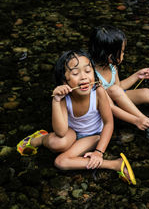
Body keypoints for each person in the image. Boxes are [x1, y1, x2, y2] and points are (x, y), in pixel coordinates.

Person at [17, 50, 136, 185]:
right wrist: (56, 101)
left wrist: (98, 152)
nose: (84, 77)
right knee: (57, 142)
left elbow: (108, 123)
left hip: (93, 136)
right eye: (75, 73)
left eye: (88, 71)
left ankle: (115, 164)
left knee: (60, 162)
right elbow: (61, 132)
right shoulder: (64, 98)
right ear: (64, 80)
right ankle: (39, 139)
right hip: (72, 133)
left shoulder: (98, 92)